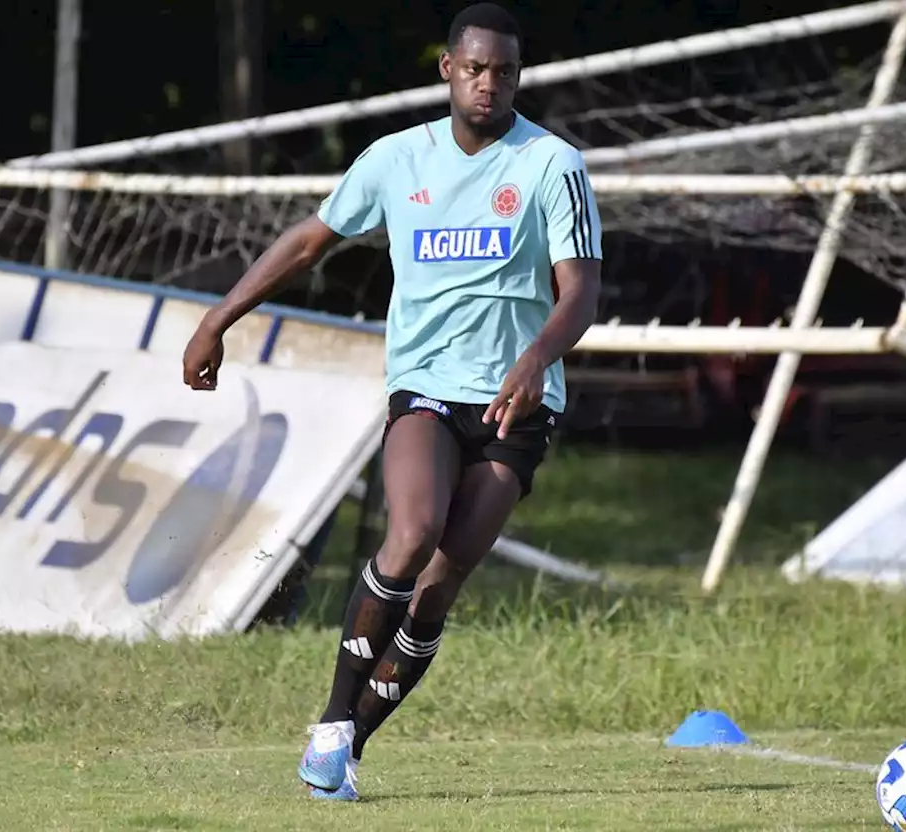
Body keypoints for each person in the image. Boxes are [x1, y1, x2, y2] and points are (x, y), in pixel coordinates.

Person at [180, 1, 603, 802]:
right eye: (474, 68)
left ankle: (347, 749)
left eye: (504, 72)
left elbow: (579, 292)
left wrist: (536, 357)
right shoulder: (395, 161)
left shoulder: (553, 167)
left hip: (517, 407)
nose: (488, 84)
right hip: (427, 391)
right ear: (448, 68)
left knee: (440, 586)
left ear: (518, 77)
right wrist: (218, 318)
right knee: (410, 535)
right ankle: (332, 721)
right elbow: (310, 241)